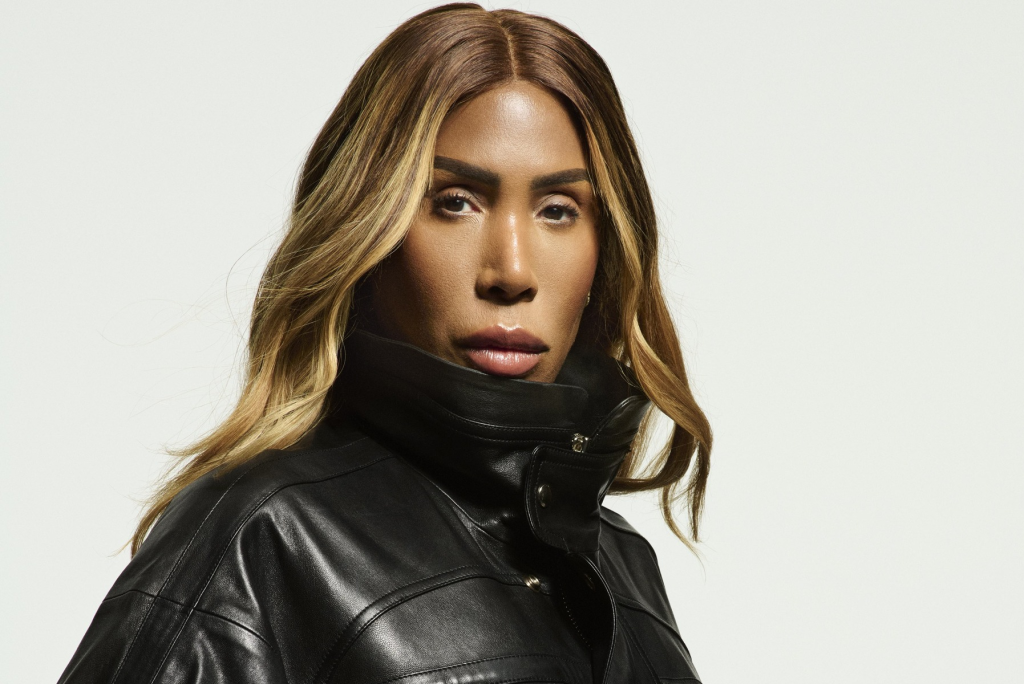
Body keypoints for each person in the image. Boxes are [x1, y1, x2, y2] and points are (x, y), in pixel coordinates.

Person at [58, 4, 712, 683]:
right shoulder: (263, 536)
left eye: (557, 211)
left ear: (607, 249)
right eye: (455, 201)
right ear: (370, 228)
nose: (512, 271)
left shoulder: (624, 567)